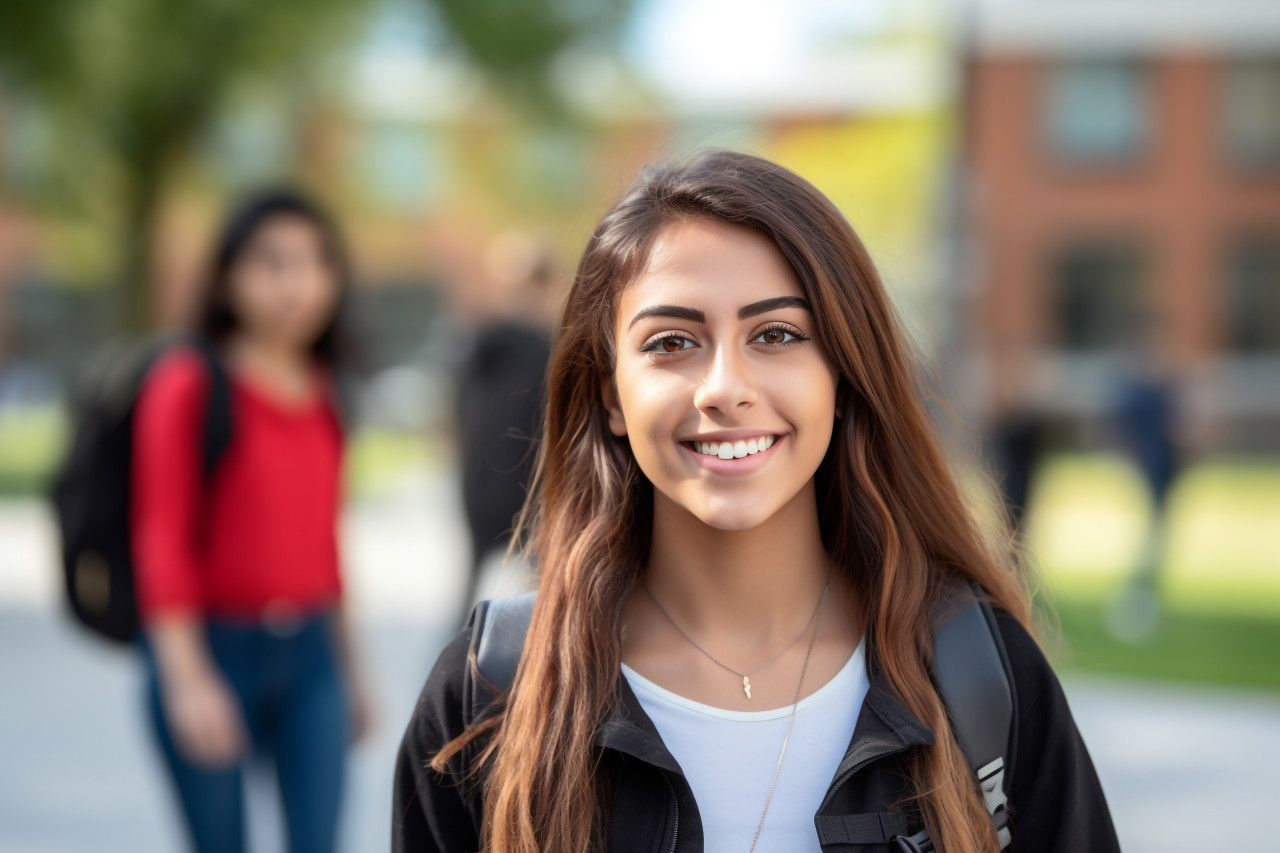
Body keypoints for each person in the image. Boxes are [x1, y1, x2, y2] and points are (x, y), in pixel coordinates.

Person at [392, 151, 1119, 852]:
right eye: (673, 341)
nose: (724, 388)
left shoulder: (981, 678)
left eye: (776, 334)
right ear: (612, 392)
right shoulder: (488, 696)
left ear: (841, 373)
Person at [132, 190, 373, 853]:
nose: (298, 283)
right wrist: (187, 680)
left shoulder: (328, 388)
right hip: (211, 649)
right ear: (226, 277)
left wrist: (353, 672)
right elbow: (161, 537)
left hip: (310, 658)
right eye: (272, 263)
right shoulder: (187, 380)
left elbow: (326, 542)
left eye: (316, 262)